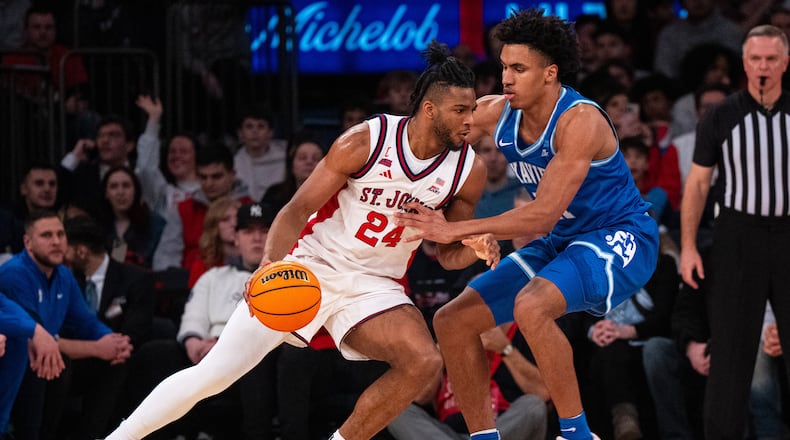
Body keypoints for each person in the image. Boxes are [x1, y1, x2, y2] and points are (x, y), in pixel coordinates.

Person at [104, 40, 499, 440]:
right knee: (213, 376)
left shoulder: (468, 169)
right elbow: (295, 209)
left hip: (376, 285)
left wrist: (473, 246)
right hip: (311, 265)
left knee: (424, 361)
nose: (471, 121)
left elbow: (448, 253)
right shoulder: (365, 141)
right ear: (429, 110)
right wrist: (269, 264)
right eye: (461, 111)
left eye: (472, 110)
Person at [394, 9, 659, 440]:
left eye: (518, 68)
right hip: (566, 242)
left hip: (621, 236)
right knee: (451, 321)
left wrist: (453, 230)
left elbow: (542, 215)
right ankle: (484, 435)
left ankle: (577, 433)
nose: (506, 78)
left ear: (550, 74)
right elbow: (428, 131)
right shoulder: (497, 113)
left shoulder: (580, 121)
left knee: (531, 306)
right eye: (503, 67)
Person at [680, 24, 790, 440]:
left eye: (771, 59)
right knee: (730, 355)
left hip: (787, 232)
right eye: (756, 59)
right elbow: (697, 185)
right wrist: (688, 246)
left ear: (785, 63)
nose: (763, 67)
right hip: (737, 236)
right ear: (744, 63)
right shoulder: (721, 115)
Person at [125, 202, 278, 440]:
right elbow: (193, 314)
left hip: (250, 353)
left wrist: (221, 343)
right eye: (248, 231)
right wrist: (193, 340)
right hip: (204, 349)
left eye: (264, 231)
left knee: (259, 361)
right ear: (236, 238)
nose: (257, 238)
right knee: (156, 353)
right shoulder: (213, 277)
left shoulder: (286, 279)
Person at [0, 211, 133, 439]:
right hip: (23, 364)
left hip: (47, 355)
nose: (56, 241)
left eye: (60, 234)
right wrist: (97, 348)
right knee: (50, 360)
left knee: (114, 362)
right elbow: (38, 337)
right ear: (28, 243)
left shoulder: (63, 274)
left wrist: (112, 341)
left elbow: (85, 321)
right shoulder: (14, 274)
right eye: (46, 235)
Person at [53, 215, 155, 439]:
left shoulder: (134, 278)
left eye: (65, 247)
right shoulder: (66, 279)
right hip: (78, 358)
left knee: (117, 365)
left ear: (81, 251)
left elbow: (136, 330)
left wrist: (117, 346)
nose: (61, 254)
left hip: (119, 359)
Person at [387, 324, 549, 440]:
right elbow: (421, 396)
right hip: (447, 434)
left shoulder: (519, 333)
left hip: (502, 429)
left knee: (533, 404)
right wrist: (438, 354)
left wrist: (506, 349)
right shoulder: (448, 335)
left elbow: (543, 395)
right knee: (396, 411)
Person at [153, 145, 252, 271]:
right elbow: (166, 256)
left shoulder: (250, 208)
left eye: (216, 176)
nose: (209, 183)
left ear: (232, 174)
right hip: (187, 283)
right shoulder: (183, 209)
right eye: (203, 177)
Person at [98, 166, 166, 269]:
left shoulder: (155, 224)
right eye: (114, 186)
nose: (120, 192)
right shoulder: (97, 226)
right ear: (106, 193)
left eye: (126, 186)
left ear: (136, 191)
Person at [233, 107, 288, 202]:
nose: (255, 131)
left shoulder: (285, 160)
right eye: (249, 127)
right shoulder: (234, 164)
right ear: (240, 133)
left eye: (261, 126)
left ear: (270, 132)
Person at [187, 196, 242, 287]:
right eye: (225, 219)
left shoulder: (257, 261)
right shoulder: (201, 267)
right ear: (214, 227)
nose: (234, 224)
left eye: (238, 218)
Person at [260, 134, 324, 212]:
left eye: (316, 158)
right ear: (291, 165)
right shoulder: (274, 195)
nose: (309, 162)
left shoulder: (334, 197)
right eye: (302, 158)